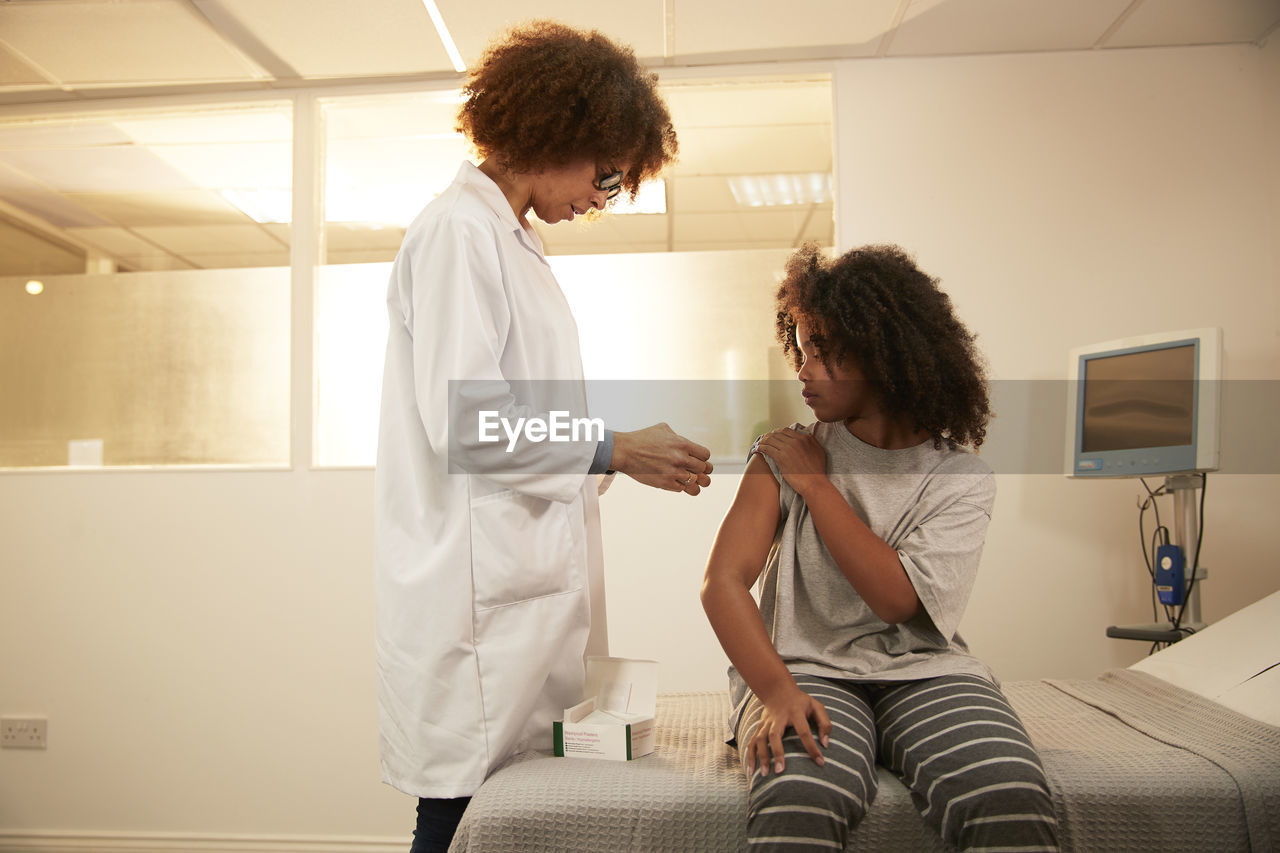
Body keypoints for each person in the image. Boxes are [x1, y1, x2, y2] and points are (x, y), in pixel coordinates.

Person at [374, 21, 713, 853]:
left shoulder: (511, 240)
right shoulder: (460, 232)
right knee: (457, 821)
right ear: (559, 132)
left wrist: (612, 460)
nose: (600, 200)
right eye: (606, 176)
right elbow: (470, 422)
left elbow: (517, 426)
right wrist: (615, 448)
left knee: (508, 821)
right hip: (477, 604)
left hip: (518, 591)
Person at [700, 244, 1059, 852]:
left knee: (1007, 794)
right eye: (802, 350)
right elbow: (724, 584)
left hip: (925, 673)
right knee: (800, 800)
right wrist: (778, 693)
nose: (804, 371)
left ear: (886, 355)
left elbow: (895, 600)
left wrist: (817, 486)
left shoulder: (960, 479)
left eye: (824, 353)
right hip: (805, 670)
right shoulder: (782, 454)